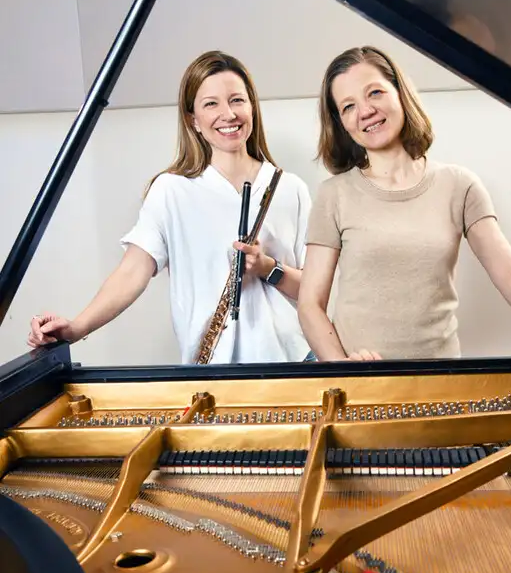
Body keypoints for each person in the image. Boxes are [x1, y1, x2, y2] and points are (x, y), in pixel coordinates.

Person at [298, 45, 511, 384]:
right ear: (341, 123)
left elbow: (508, 271)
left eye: (374, 92)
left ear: (400, 93)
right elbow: (310, 304)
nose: (365, 111)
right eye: (348, 106)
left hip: (442, 381)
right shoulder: (334, 195)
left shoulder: (460, 185)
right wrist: (342, 367)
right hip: (363, 387)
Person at [28, 51, 312, 364]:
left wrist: (266, 267)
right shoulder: (171, 190)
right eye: (211, 104)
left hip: (295, 365)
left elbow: (315, 291)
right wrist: (76, 328)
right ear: (193, 120)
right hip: (212, 374)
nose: (229, 114)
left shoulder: (291, 189)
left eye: (237, 100)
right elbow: (133, 271)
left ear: (252, 107)